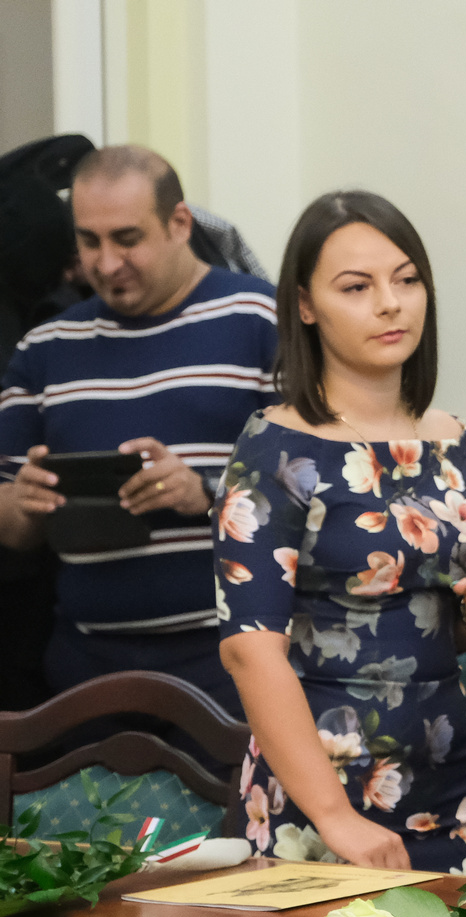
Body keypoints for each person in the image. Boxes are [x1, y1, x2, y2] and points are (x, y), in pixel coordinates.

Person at [214, 190, 466, 871]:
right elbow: (249, 651)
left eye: (406, 280)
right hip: (323, 796)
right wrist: (335, 818)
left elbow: (431, 613)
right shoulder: (275, 447)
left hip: (448, 782)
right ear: (306, 306)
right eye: (357, 287)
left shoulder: (448, 437)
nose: (391, 304)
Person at [0, 145, 276, 729]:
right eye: (89, 241)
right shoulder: (43, 348)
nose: (106, 263)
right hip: (86, 673)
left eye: (127, 239)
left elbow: (324, 486)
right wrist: (21, 504)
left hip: (236, 661)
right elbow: (9, 523)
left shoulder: (261, 320)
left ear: (179, 224)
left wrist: (205, 492)